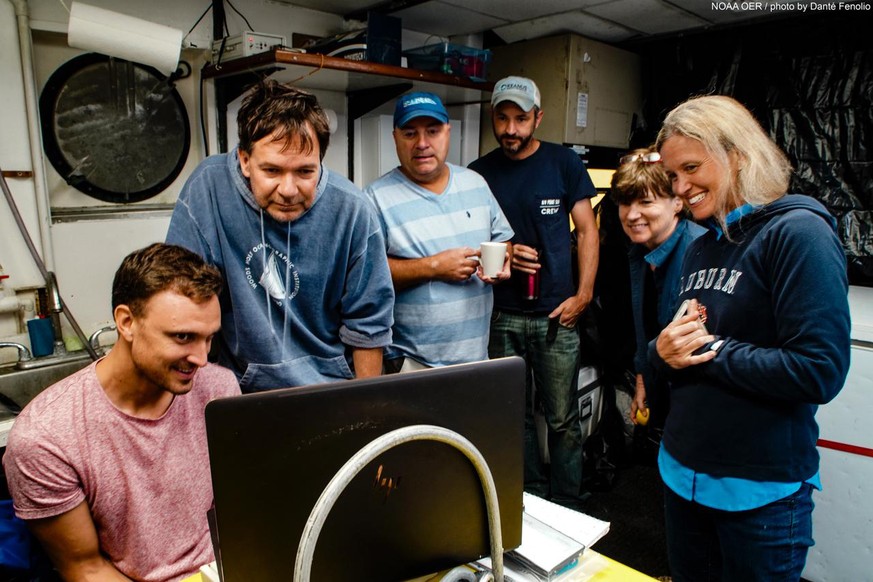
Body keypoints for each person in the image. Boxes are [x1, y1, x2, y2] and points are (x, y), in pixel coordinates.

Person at [651, 95, 851, 581]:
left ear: (736, 154)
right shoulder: (702, 247)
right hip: (682, 477)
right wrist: (662, 352)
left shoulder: (799, 232)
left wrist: (706, 349)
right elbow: (680, 350)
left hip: (758, 494)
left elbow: (818, 370)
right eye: (673, 177)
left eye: (691, 168)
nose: (681, 189)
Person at [3, 243, 240, 582]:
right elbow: (85, 568)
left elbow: (235, 511)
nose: (201, 358)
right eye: (183, 337)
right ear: (127, 322)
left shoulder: (219, 390)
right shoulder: (45, 437)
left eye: (208, 339)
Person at [166, 80, 394, 392]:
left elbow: (369, 324)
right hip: (239, 390)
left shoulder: (352, 210)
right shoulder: (208, 188)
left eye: (305, 172)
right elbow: (182, 298)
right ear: (245, 161)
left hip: (327, 388)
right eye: (272, 171)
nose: (288, 191)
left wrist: (366, 408)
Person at [469, 76, 599, 509]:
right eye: (502, 118)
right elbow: (472, 239)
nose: (511, 128)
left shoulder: (563, 163)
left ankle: (570, 502)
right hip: (500, 314)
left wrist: (583, 296)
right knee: (513, 417)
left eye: (520, 119)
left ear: (537, 119)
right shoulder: (478, 173)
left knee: (562, 420)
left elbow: (588, 232)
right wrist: (505, 250)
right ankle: (530, 501)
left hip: (556, 315)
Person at [364, 92, 513, 371]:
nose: (422, 144)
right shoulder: (374, 198)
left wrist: (506, 259)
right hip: (411, 363)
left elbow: (503, 240)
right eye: (410, 133)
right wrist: (433, 267)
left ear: (448, 132)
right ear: (395, 136)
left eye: (432, 131)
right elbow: (367, 277)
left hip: (476, 359)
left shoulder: (476, 184)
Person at [609, 147, 706, 434]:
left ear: (677, 202)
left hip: (695, 404)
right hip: (665, 391)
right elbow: (647, 329)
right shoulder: (640, 252)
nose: (632, 214)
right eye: (625, 203)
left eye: (645, 202)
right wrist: (643, 379)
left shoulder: (698, 252)